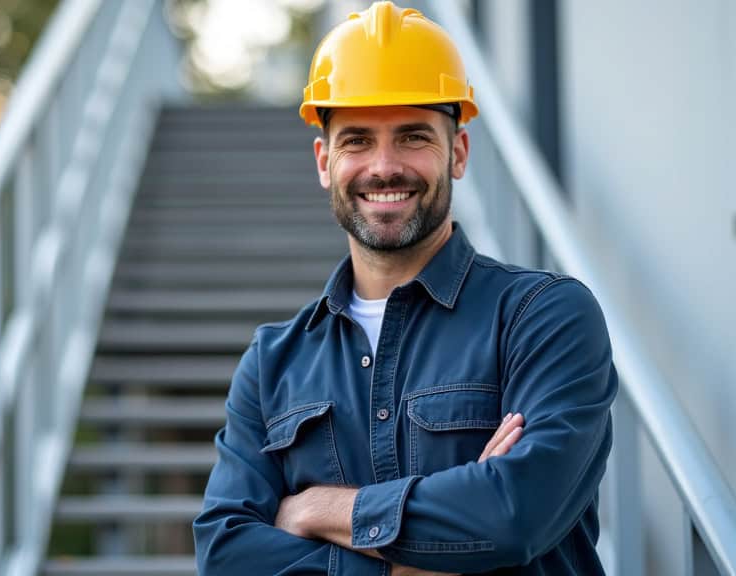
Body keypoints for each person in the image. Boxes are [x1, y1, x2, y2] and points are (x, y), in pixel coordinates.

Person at [192, 2, 618, 575]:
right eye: (357, 141)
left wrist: (317, 508)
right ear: (324, 161)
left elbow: (515, 516)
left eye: (413, 136)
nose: (385, 166)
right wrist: (418, 557)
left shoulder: (545, 317)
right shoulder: (273, 364)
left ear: (458, 153)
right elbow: (226, 555)